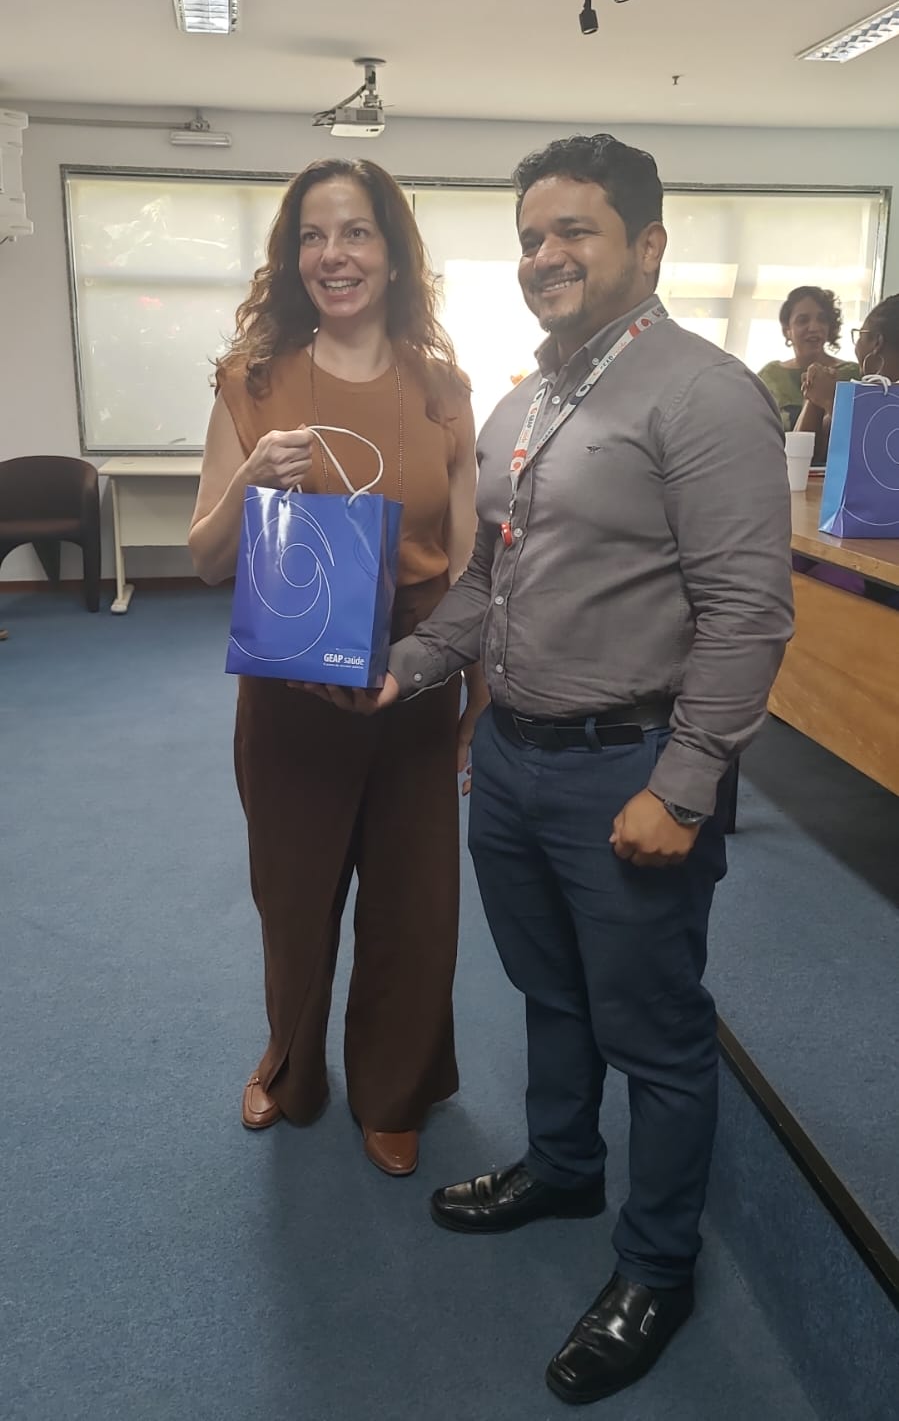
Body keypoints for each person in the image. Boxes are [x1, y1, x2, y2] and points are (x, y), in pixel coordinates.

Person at [373, 135, 794, 1402]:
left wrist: (683, 784)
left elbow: (747, 614)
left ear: (646, 246)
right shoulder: (528, 402)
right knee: (548, 995)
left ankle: (656, 1267)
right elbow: (485, 584)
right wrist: (410, 663)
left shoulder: (703, 394)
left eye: (575, 232)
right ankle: (563, 1169)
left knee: (654, 1036)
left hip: (628, 768)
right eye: (529, 236)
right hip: (510, 760)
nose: (543, 256)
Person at [188, 157, 485, 1177]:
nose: (334, 255)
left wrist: (473, 692)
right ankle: (289, 1064)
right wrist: (249, 480)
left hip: (414, 670)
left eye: (355, 232)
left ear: (392, 253)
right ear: (292, 258)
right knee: (294, 894)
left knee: (413, 899)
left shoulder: (443, 390)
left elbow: (469, 562)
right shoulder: (253, 381)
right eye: (312, 237)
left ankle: (396, 1088)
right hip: (291, 677)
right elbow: (206, 556)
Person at [757, 285, 857, 458]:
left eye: (822, 319)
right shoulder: (769, 376)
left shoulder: (853, 374)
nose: (814, 327)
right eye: (803, 320)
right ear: (787, 330)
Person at [795, 293, 899, 455]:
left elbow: (881, 454)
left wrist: (833, 400)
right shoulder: (865, 396)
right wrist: (815, 398)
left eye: (860, 335)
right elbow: (802, 454)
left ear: (877, 342)